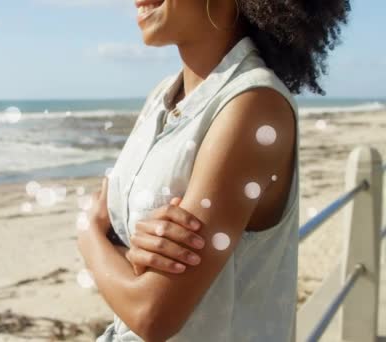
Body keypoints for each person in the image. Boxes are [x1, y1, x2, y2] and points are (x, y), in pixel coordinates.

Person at [76, 0, 351, 341]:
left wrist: (89, 235)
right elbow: (124, 239)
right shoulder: (161, 97)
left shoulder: (252, 105)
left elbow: (153, 314)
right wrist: (133, 250)